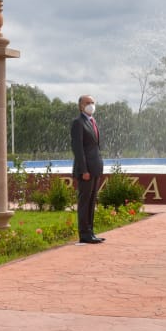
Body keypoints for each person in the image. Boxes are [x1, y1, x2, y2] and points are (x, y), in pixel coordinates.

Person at [71, 94, 104, 244]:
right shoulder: (78, 123)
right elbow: (78, 149)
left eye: (92, 102)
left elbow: (95, 147)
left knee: (92, 201)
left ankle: (90, 232)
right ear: (81, 106)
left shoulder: (93, 121)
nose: (91, 105)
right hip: (86, 171)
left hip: (95, 168)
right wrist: (84, 170)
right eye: (87, 103)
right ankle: (84, 233)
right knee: (84, 202)